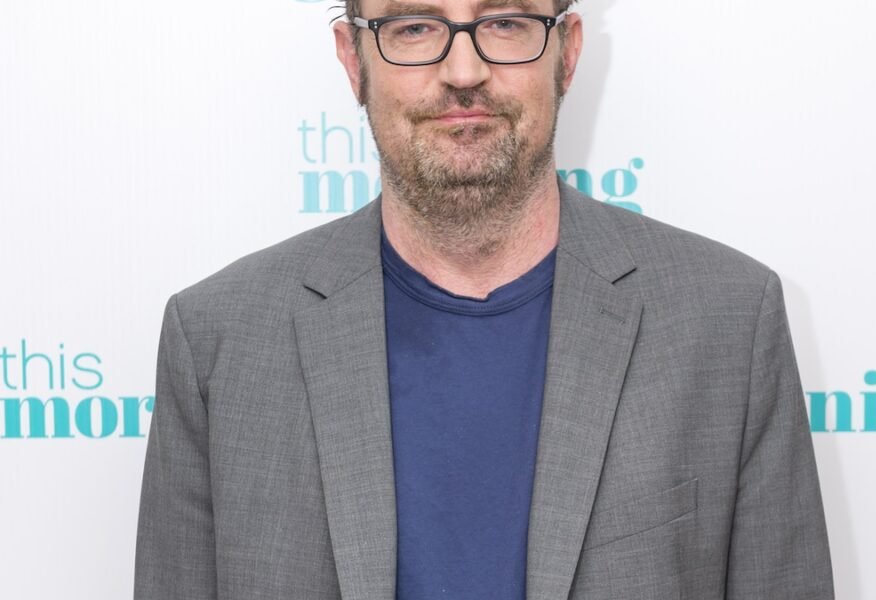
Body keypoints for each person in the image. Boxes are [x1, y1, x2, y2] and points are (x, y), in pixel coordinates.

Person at [134, 0, 835, 598]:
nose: (464, 71)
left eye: (504, 22)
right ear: (353, 59)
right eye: (414, 27)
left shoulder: (729, 323)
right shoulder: (217, 342)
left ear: (567, 52)